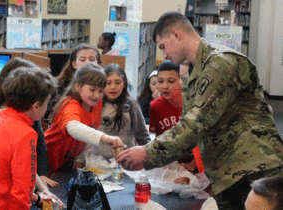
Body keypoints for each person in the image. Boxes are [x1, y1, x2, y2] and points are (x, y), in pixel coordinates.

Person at [117, 11, 283, 210]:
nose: (164, 55)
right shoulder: (192, 78)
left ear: (176, 34)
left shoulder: (221, 63)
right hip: (224, 175)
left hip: (254, 167)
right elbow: (189, 134)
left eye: (163, 46)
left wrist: (146, 153)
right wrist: (149, 159)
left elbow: (196, 124)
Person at [0, 66, 56, 209]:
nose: (47, 106)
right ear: (36, 106)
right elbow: (22, 193)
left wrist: (40, 197)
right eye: (47, 102)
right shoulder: (26, 135)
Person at [45, 62, 124, 176]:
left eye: (100, 91)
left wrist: (80, 157)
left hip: (65, 164)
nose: (96, 95)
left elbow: (89, 132)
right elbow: (74, 128)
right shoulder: (70, 105)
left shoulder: (95, 103)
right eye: (92, 90)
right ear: (77, 86)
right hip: (47, 161)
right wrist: (105, 138)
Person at [89, 63, 151, 159]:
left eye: (118, 83)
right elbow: (86, 133)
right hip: (97, 161)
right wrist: (79, 158)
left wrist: (148, 156)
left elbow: (142, 135)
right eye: (108, 83)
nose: (113, 87)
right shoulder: (94, 103)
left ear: (124, 83)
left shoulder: (131, 105)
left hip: (125, 160)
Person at [44, 43, 102, 126]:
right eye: (82, 60)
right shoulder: (60, 87)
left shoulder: (102, 86)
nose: (88, 63)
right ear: (74, 64)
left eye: (92, 60)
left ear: (98, 63)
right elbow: (49, 117)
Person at [149, 60, 182, 136]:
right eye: (160, 81)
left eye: (171, 81)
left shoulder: (192, 102)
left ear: (181, 81)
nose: (165, 86)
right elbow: (157, 138)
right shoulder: (155, 106)